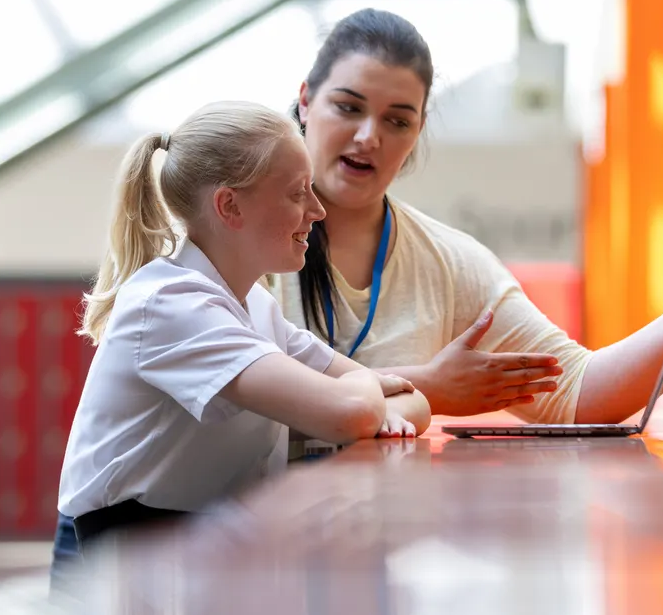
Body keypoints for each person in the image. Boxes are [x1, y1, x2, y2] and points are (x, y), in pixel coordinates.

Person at [261, 8, 663, 426]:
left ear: (419, 129)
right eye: (348, 107)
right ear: (306, 100)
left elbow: (572, 391)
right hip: (242, 521)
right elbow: (243, 381)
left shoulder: (449, 262)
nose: (369, 136)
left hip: (389, 519)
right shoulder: (242, 231)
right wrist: (428, 387)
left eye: (397, 120)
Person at [50, 101, 431, 593]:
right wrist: (365, 394)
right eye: (298, 194)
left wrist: (369, 397)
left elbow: (412, 400)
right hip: (131, 561)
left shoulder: (255, 305)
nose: (317, 212)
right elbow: (349, 414)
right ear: (230, 206)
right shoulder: (170, 304)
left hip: (202, 552)